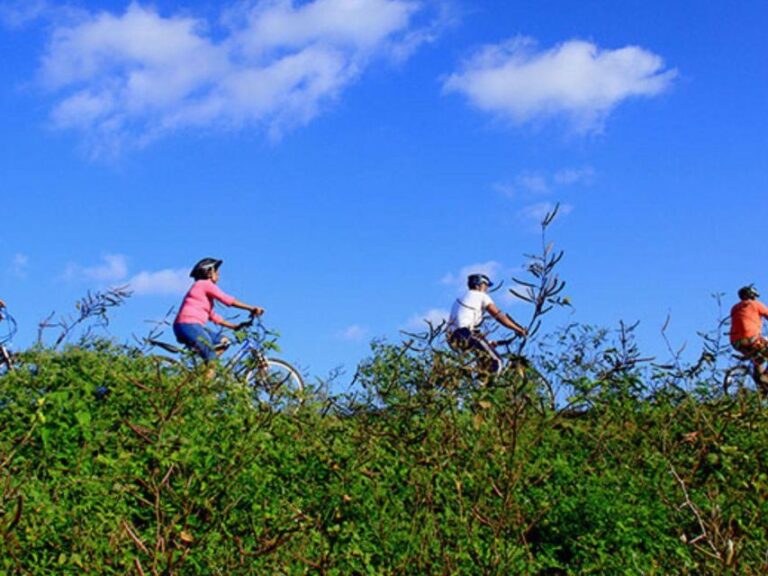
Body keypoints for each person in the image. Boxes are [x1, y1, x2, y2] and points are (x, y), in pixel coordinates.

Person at [173, 258, 264, 363]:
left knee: (224, 342)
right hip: (188, 325)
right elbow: (226, 299)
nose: (219, 275)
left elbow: (212, 316)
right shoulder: (204, 284)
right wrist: (251, 308)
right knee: (211, 358)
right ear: (209, 272)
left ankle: (204, 372)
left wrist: (234, 326)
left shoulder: (203, 292)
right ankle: (207, 373)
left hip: (189, 326)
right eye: (216, 272)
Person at [447, 273, 527, 375]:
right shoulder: (481, 295)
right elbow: (498, 315)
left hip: (452, 338)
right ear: (478, 285)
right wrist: (518, 329)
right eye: (486, 286)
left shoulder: (460, 299)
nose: (487, 289)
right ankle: (489, 388)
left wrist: (489, 343)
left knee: (483, 363)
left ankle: (479, 384)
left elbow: (465, 326)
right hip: (464, 333)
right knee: (496, 362)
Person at [730, 284, 768, 381]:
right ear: (751, 295)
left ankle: (762, 386)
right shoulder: (756, 304)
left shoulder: (734, 308)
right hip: (751, 339)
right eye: (754, 296)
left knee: (757, 359)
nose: (755, 298)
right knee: (763, 351)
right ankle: (765, 377)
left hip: (735, 343)